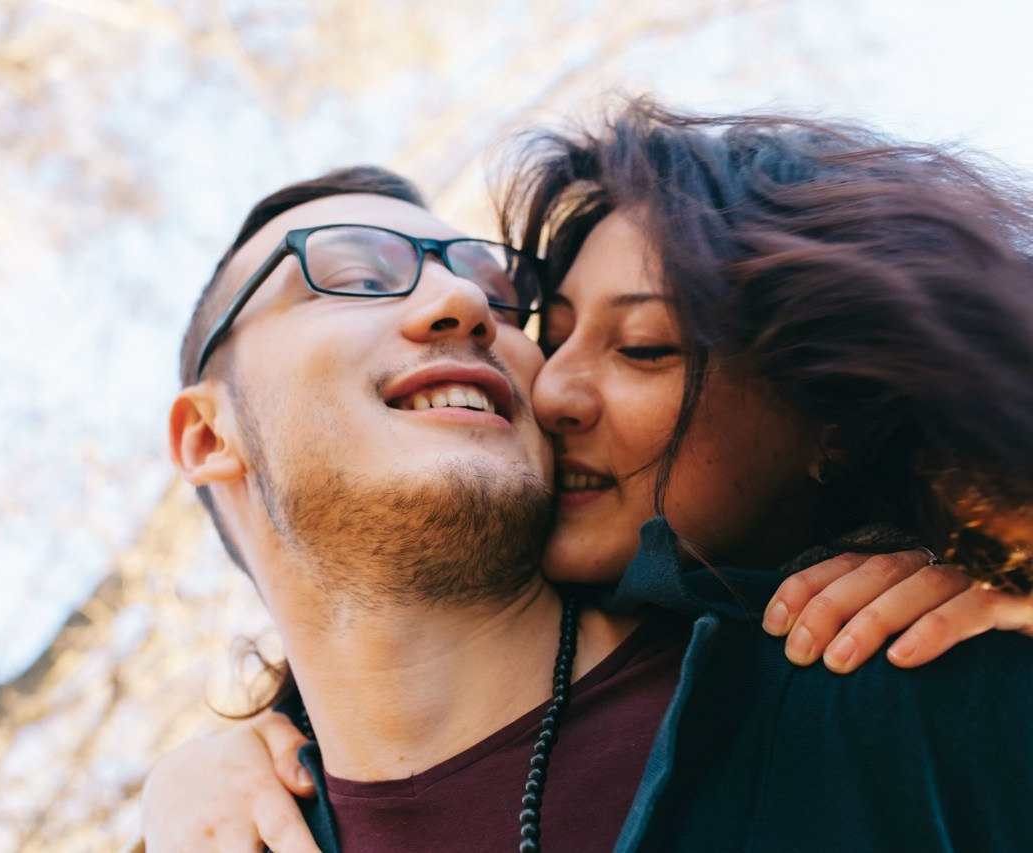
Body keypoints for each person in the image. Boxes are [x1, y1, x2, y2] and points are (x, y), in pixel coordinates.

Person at [155, 104, 1033, 851]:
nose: (461, 304)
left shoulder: (919, 696)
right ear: (204, 434)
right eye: (351, 276)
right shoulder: (212, 821)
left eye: (500, 296)